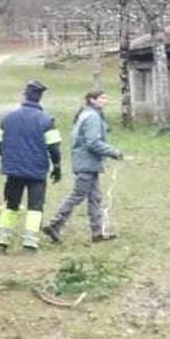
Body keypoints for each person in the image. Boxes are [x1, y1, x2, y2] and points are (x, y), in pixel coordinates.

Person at [45, 89, 125, 244]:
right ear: (92, 100)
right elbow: (92, 142)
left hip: (88, 162)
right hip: (86, 162)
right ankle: (55, 224)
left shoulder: (87, 115)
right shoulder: (91, 117)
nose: (105, 101)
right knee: (78, 195)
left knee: (95, 197)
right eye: (102, 98)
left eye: (106, 98)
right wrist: (114, 152)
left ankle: (97, 232)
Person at [0, 80, 61, 253]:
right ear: (40, 97)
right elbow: (54, 147)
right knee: (35, 207)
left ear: (25, 95)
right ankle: (30, 244)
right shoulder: (46, 120)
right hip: (36, 171)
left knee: (10, 205)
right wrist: (57, 166)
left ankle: (1, 242)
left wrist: (9, 157)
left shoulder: (8, 117)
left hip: (13, 170)